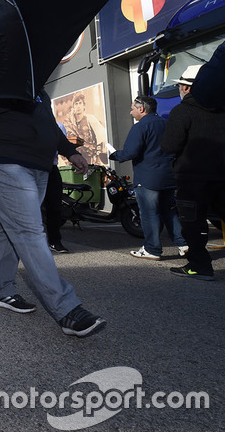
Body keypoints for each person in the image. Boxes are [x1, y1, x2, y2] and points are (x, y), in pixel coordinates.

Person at [0, 89, 106, 338]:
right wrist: (17, 95)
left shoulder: (38, 86)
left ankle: (0, 290)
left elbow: (49, 125)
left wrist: (70, 151)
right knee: (28, 231)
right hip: (0, 160)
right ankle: (66, 308)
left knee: (8, 228)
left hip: (37, 165)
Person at [161, 65, 225, 281]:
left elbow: (170, 145)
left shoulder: (182, 111)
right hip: (221, 174)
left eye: (180, 85)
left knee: (193, 224)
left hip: (192, 178)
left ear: (187, 88)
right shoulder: (221, 110)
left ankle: (200, 266)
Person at [109, 95, 186, 260]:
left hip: (148, 178)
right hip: (168, 177)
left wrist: (114, 155)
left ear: (141, 109)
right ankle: (183, 244)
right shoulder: (166, 124)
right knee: (169, 211)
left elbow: (130, 152)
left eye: (132, 108)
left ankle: (152, 249)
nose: (131, 112)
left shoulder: (140, 127)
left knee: (149, 214)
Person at [44, 122, 69, 254]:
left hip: (51, 167)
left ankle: (54, 240)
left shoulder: (58, 125)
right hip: (31, 168)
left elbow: (62, 143)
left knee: (54, 206)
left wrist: (73, 155)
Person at [65, 92, 107, 166]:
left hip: (91, 160)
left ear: (84, 105)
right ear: (73, 107)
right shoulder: (70, 124)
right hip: (77, 161)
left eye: (80, 103)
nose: (78, 106)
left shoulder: (90, 119)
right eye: (76, 104)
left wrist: (97, 160)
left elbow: (102, 139)